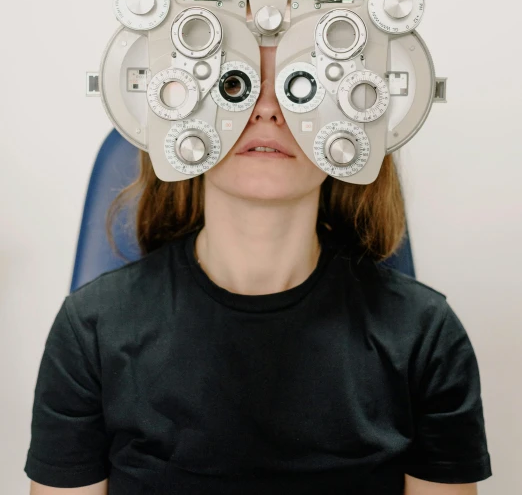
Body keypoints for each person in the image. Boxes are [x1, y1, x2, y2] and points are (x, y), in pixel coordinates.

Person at [25, 46, 492, 494]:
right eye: (234, 84)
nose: (266, 109)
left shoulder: (426, 337)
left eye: (301, 85)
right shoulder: (92, 331)